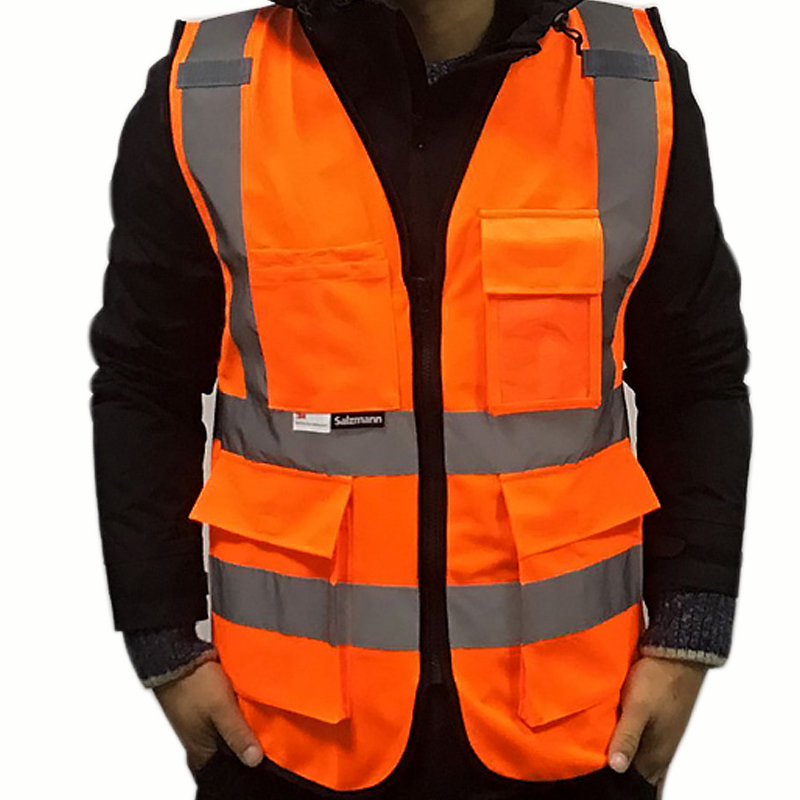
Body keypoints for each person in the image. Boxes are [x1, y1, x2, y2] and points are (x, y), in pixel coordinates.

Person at [89, 1, 751, 798]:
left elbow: (696, 377)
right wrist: (164, 643)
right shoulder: (211, 90)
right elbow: (144, 380)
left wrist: (688, 633)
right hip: (288, 738)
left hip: (575, 731)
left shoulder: (630, 82)